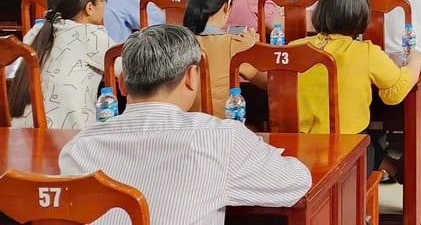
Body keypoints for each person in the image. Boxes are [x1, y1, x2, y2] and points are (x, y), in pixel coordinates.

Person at [59, 25, 311, 223]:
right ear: (192, 77)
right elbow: (296, 181)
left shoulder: (79, 148)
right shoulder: (218, 138)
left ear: (122, 84)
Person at [292, 0, 421, 173]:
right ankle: (393, 168)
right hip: (345, 151)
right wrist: (415, 61)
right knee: (371, 142)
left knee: (372, 141)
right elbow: (395, 93)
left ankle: (392, 168)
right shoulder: (366, 52)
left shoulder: (296, 46)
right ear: (362, 17)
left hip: (297, 147)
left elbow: (270, 82)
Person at [7, 0, 113, 129]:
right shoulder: (90, 34)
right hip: (68, 136)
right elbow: (124, 66)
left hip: (22, 134)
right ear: (89, 7)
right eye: (103, 1)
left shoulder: (37, 30)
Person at [181, 0, 266, 116]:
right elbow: (267, 82)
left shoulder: (172, 42)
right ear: (227, 6)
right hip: (221, 131)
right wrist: (255, 48)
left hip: (179, 131)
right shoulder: (235, 45)